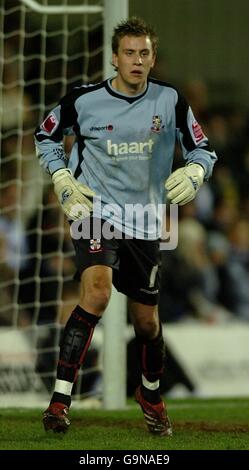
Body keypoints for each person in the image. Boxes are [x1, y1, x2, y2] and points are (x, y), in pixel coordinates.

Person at [34, 16, 217, 437]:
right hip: (95, 212)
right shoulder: (82, 100)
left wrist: (194, 173)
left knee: (147, 323)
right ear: (114, 58)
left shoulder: (171, 101)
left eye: (144, 53)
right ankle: (60, 401)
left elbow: (203, 149)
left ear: (153, 59)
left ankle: (150, 392)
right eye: (129, 53)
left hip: (148, 221)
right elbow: (44, 137)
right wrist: (61, 177)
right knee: (96, 292)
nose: (137, 60)